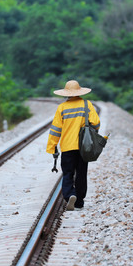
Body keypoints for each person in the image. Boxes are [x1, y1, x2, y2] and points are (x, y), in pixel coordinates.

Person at [46, 80, 100, 211]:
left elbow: (55, 130)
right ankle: (79, 201)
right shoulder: (87, 105)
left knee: (68, 173)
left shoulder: (62, 108)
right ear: (79, 91)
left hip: (67, 147)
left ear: (66, 94)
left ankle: (70, 194)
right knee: (81, 173)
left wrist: (52, 146)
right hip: (83, 147)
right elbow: (96, 123)